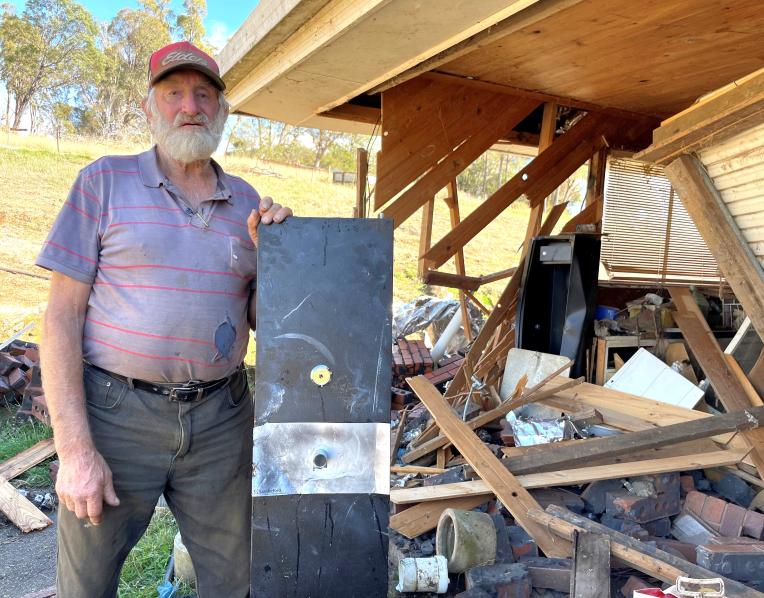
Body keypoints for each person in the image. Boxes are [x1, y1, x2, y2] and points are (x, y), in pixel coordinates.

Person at [36, 41, 291, 597]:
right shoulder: (103, 183)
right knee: (87, 582)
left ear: (222, 111)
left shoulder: (246, 200)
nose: (189, 106)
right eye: (173, 93)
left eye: (203, 94)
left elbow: (261, 318)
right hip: (116, 416)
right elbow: (58, 320)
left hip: (221, 419)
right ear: (150, 108)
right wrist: (76, 453)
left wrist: (279, 258)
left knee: (238, 579)